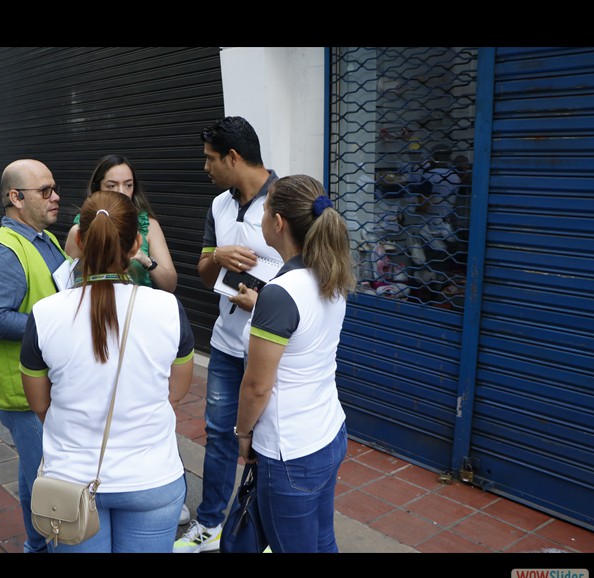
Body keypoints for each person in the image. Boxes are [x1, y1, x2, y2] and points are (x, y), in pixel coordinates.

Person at [21, 191, 194, 552]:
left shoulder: (45, 313)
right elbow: (176, 392)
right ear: (137, 245)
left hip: (70, 482)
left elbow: (39, 404)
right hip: (152, 477)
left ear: (80, 242)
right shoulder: (168, 308)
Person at [173, 115, 282, 553]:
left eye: (210, 159)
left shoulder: (287, 200)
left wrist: (265, 301)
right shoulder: (218, 205)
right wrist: (217, 256)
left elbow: (313, 278)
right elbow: (204, 275)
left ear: (233, 157)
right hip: (224, 344)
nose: (206, 168)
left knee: (269, 440)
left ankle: (266, 531)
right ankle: (211, 523)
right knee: (219, 433)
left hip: (271, 346)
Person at [235, 175, 354, 552]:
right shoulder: (330, 272)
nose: (261, 217)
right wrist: (262, 311)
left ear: (278, 222)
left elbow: (257, 387)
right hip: (328, 433)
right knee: (322, 540)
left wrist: (243, 433)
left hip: (290, 452)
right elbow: (303, 330)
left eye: (265, 209)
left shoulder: (281, 294)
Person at [0, 158, 69, 553]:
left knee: (38, 472)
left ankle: (38, 543)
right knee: (45, 480)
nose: (55, 197)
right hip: (24, 392)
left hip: (45, 385)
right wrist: (54, 324)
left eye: (54, 188)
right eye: (45, 191)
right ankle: (43, 545)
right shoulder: (6, 250)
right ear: (16, 198)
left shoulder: (44, 239)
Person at [64, 154, 178, 292]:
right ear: (97, 188)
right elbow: (67, 282)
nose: (122, 192)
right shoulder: (80, 229)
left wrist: (146, 260)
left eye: (128, 185)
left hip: (137, 303)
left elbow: (170, 284)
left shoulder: (148, 225)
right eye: (112, 186)